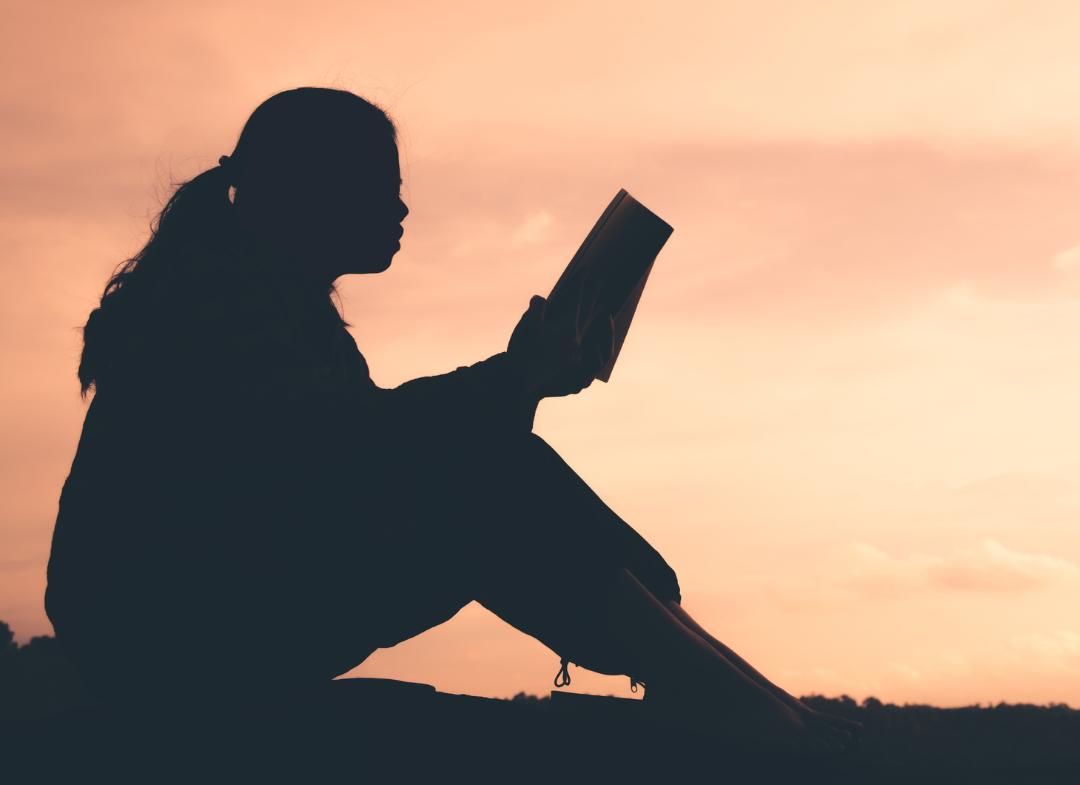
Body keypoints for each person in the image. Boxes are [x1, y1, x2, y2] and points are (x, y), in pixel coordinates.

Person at [46, 87, 860, 755]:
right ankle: (751, 715)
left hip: (200, 606)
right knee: (485, 465)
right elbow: (332, 450)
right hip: (165, 630)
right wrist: (516, 378)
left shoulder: (270, 292)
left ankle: (758, 705)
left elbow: (354, 453)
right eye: (380, 183)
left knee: (484, 459)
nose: (402, 206)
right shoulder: (218, 288)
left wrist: (523, 383)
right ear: (311, 184)